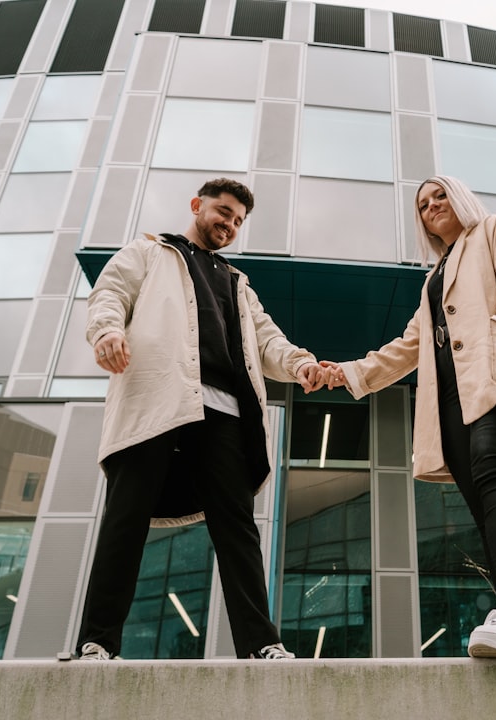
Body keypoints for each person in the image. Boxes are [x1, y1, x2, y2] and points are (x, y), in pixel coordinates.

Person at [76, 178, 325, 661]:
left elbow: (270, 341)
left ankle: (261, 645)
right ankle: (98, 642)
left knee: (238, 528)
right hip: (158, 401)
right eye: (223, 212)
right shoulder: (149, 252)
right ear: (197, 205)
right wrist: (107, 330)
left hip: (225, 415)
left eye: (237, 221)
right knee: (124, 522)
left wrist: (301, 364)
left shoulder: (238, 283)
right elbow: (109, 293)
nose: (228, 225)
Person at [323, 175, 496, 658]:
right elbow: (409, 345)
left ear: (461, 199)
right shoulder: (432, 278)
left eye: (440, 196)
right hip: (449, 396)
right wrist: (348, 372)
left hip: (493, 376)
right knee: (480, 497)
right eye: (423, 204)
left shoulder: (491, 230)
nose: (432, 206)